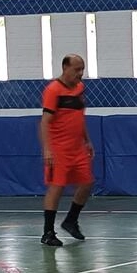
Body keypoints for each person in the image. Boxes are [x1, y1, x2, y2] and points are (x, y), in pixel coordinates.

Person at [40, 54, 94, 247]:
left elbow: (79, 116)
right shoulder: (53, 90)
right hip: (59, 149)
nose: (80, 73)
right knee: (57, 186)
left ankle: (71, 220)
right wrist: (48, 149)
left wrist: (87, 140)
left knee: (86, 183)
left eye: (82, 69)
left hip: (77, 147)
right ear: (65, 68)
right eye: (77, 69)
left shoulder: (79, 88)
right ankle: (48, 233)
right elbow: (45, 122)